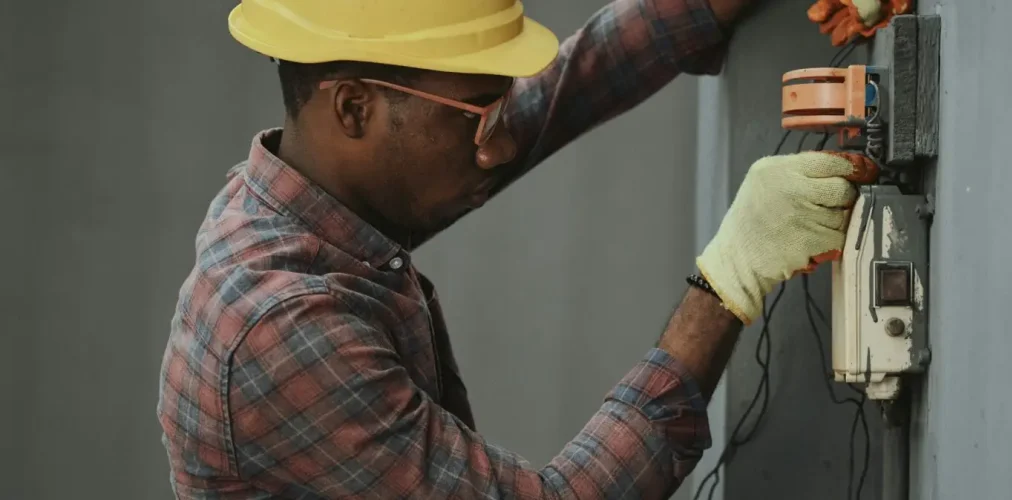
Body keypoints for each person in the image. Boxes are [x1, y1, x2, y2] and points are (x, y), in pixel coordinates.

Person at [157, 0, 878, 497]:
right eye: (479, 118)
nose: (499, 146)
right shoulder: (281, 328)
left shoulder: (300, 199)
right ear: (353, 108)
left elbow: (568, 87)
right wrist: (728, 283)